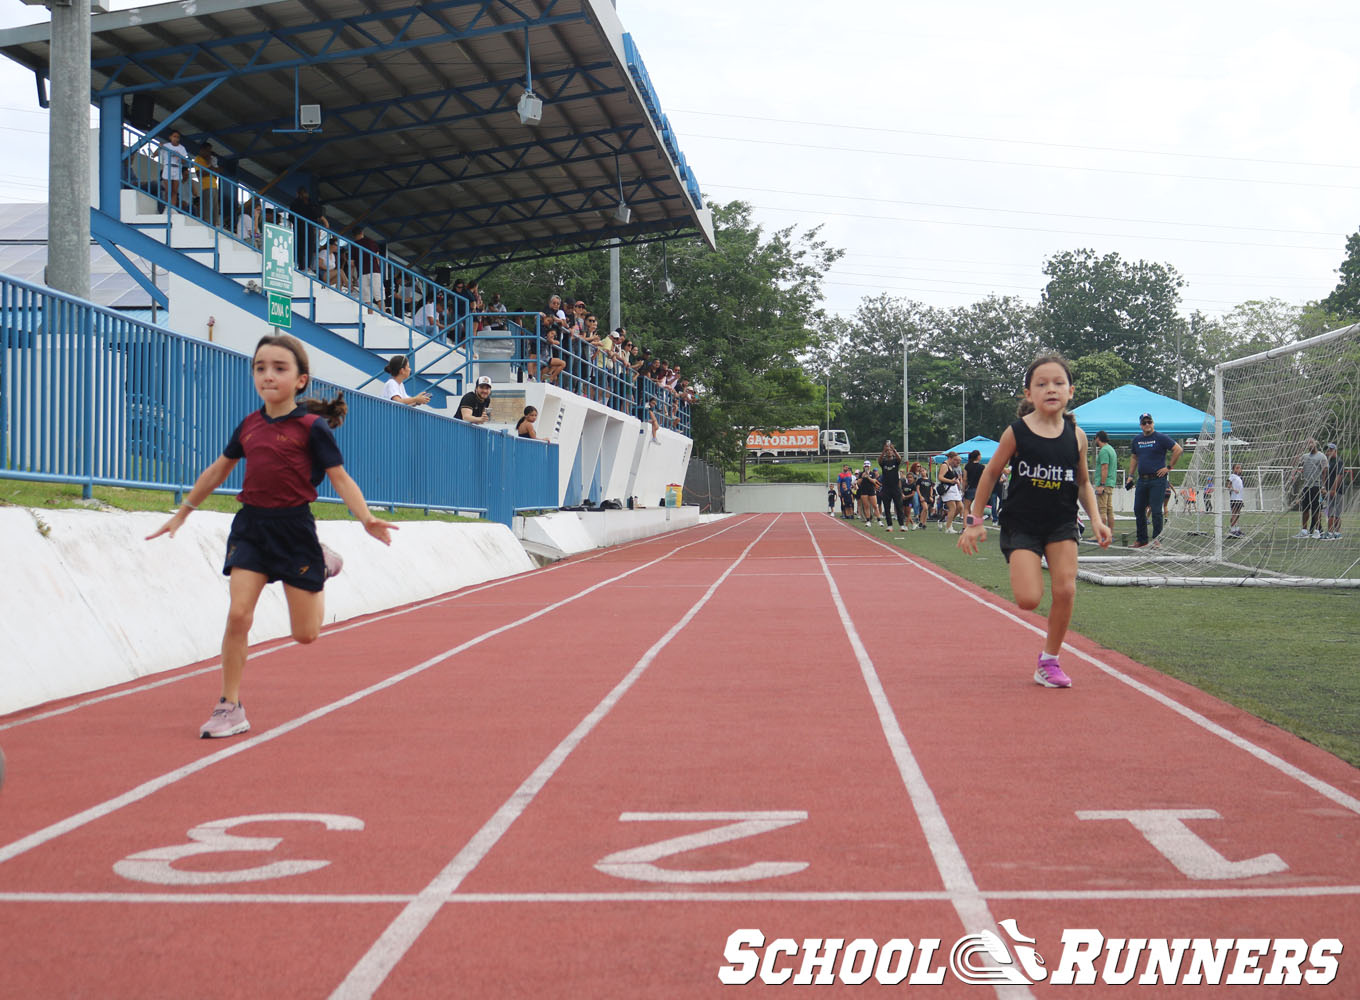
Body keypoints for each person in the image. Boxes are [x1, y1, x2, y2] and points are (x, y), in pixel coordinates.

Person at [146, 334, 395, 737]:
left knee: (305, 634)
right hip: (252, 528)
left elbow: (340, 477)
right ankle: (229, 706)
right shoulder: (249, 425)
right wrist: (183, 513)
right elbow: (218, 470)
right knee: (238, 614)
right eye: (260, 367)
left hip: (295, 530)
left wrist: (366, 519)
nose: (268, 375)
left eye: (279, 368)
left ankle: (321, 561)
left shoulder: (312, 428)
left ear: (301, 380)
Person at [958, 355, 1110, 688]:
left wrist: (1097, 520)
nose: (1050, 389)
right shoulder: (1017, 433)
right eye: (1041, 384)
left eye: (1058, 383)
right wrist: (975, 519)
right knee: (1029, 599)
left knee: (1066, 589)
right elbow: (991, 473)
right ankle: (1023, 565)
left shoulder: (1078, 436)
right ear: (1029, 394)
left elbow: (1083, 482)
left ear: (1070, 391)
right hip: (1022, 524)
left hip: (1061, 523)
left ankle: (1049, 661)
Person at [1124, 412, 1182, 548]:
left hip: (1158, 480)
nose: (1147, 424)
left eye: (1149, 422)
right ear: (1140, 425)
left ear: (1153, 423)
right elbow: (1134, 457)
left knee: (1156, 510)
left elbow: (1178, 449)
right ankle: (1141, 540)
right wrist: (1130, 475)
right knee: (1138, 509)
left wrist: (1168, 467)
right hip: (1142, 480)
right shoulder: (1137, 440)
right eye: (1144, 423)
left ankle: (1157, 540)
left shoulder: (1161, 437)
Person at [1294, 439, 1327, 539]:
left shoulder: (1321, 456)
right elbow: (1296, 464)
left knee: (1317, 509)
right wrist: (1298, 453)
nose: (1310, 445)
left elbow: (1325, 472)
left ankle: (1317, 531)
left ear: (1315, 444)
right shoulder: (1305, 456)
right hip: (1306, 486)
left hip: (1317, 486)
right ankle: (1304, 531)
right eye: (1308, 443)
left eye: (1311, 443)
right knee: (1305, 509)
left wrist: (1323, 486)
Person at [1093, 430, 1117, 534]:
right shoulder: (1111, 449)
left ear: (1098, 438)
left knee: (1102, 509)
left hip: (1104, 483)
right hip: (1110, 483)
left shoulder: (1104, 451)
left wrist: (1101, 484)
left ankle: (1102, 535)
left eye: (1095, 438)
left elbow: (1104, 467)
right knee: (1109, 509)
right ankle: (1109, 534)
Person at [159, 129, 190, 211]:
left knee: (175, 191)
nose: (176, 138)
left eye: (177, 137)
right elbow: (154, 155)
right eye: (174, 136)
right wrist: (160, 147)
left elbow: (184, 161)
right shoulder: (166, 146)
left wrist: (179, 157)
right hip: (168, 167)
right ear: (170, 137)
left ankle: (172, 209)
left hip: (177, 168)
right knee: (168, 190)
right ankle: (167, 208)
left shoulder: (182, 148)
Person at [879, 441, 905, 531]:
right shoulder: (884, 462)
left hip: (895, 487)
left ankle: (902, 525)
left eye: (890, 451)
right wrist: (883, 451)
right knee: (887, 507)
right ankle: (889, 525)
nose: (889, 452)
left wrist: (894, 450)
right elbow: (879, 460)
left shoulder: (895, 461)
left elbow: (900, 459)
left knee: (899, 506)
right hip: (886, 488)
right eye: (888, 451)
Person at [193, 141, 220, 225]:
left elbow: (217, 172)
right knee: (207, 208)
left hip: (214, 186)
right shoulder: (198, 159)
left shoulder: (211, 160)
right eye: (207, 151)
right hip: (206, 187)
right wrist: (211, 170)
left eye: (210, 151)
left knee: (215, 208)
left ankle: (215, 225)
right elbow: (199, 173)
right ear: (202, 150)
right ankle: (207, 224)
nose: (209, 153)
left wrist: (210, 167)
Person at [938, 452, 964, 533]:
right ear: (950, 458)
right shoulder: (945, 465)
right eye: (955, 459)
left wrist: (956, 481)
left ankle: (948, 522)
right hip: (947, 488)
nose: (955, 461)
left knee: (960, 507)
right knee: (953, 508)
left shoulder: (950, 466)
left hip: (954, 488)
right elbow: (940, 477)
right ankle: (948, 528)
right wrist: (951, 481)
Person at [1324, 442, 1344, 539]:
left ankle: (1330, 532)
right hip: (1329, 490)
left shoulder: (1338, 461)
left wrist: (1333, 490)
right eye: (1327, 450)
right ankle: (1336, 532)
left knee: (1333, 512)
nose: (1328, 452)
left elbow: (1339, 476)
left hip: (1337, 491)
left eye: (1330, 450)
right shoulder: (1329, 461)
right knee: (1333, 512)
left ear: (1335, 450)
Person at [1228, 463, 1245, 537]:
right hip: (1234, 498)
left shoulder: (1239, 478)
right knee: (1234, 514)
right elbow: (1228, 485)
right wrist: (1233, 490)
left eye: (1240, 468)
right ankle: (1232, 530)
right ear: (1233, 469)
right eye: (1237, 468)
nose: (1239, 469)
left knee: (1238, 514)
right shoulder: (1232, 476)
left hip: (1239, 498)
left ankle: (1237, 529)